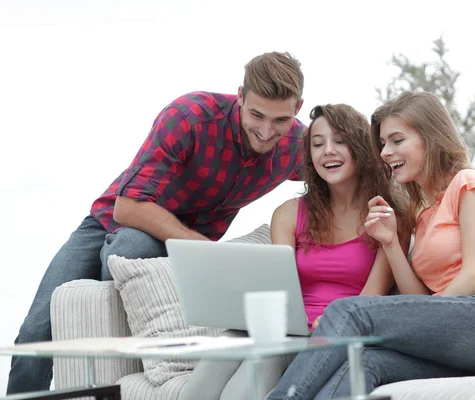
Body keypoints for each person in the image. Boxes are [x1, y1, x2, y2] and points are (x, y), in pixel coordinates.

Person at [7, 51, 306, 395]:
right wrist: (205, 249)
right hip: (108, 225)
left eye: (280, 120)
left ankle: (124, 378)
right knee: (34, 333)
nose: (267, 131)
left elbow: (344, 171)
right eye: (256, 115)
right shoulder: (190, 116)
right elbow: (127, 207)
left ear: (297, 109)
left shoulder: (297, 145)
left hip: (179, 249)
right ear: (240, 95)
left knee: (130, 251)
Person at [266, 91, 475, 400]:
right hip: (462, 337)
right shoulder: (421, 213)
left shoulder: (467, 182)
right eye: (382, 143)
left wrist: (419, 316)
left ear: (429, 138)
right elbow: (419, 299)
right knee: (364, 362)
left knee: (349, 312)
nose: (384, 152)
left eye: (396, 140)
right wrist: (391, 243)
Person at [179, 104, 411, 400]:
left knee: (260, 366)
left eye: (339, 141)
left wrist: (333, 318)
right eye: (318, 144)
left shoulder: (388, 217)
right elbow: (281, 285)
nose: (327, 150)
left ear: (361, 148)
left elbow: (372, 296)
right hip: (285, 329)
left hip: (334, 334)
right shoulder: (289, 214)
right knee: (222, 348)